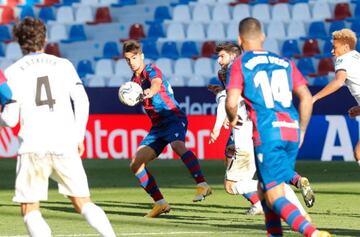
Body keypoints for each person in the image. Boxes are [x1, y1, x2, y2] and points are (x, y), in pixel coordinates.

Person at [0, 17, 116, 237]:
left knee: (30, 209)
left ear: (18, 41)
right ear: (45, 39)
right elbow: (82, 101)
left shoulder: (13, 72)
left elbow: (11, 119)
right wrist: (78, 136)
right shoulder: (63, 65)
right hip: (64, 143)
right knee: (84, 202)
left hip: (33, 145)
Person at [225, 17, 330, 237]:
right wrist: (301, 130)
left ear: (239, 39)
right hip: (290, 129)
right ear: (263, 36)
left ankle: (313, 233)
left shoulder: (241, 63)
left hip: (267, 132)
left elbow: (231, 101)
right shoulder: (285, 62)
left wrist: (232, 117)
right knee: (265, 190)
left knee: (274, 196)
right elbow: (306, 98)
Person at [209, 42, 312, 218]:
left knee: (233, 183)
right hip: (268, 126)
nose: (219, 61)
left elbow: (229, 98)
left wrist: (220, 122)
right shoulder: (267, 65)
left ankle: (272, 194)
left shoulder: (232, 70)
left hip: (244, 129)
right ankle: (291, 190)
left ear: (233, 56)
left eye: (222, 56)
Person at [123, 40, 211, 218]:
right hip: (158, 126)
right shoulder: (134, 81)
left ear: (141, 56)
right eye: (127, 59)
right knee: (136, 164)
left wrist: (151, 91)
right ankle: (160, 203)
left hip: (172, 116)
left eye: (134, 57)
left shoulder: (151, 70)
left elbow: (156, 83)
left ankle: (202, 184)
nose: (131, 62)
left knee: (177, 145)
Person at [313, 28, 360, 166]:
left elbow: (338, 81)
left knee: (358, 153)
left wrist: (314, 98)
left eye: (335, 47)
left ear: (346, 47)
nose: (333, 51)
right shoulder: (357, 56)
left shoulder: (342, 59)